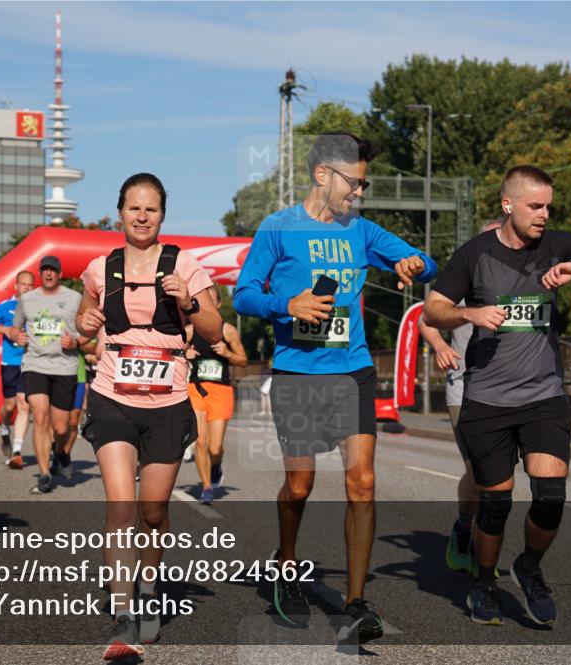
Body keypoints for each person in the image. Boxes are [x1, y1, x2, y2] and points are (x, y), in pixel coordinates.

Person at [233, 132, 435, 644]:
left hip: (353, 372)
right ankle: (285, 563)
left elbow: (424, 262)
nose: (360, 193)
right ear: (323, 174)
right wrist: (288, 305)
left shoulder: (361, 231)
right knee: (299, 485)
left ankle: (356, 603)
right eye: (355, 182)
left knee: (361, 481)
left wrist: (416, 263)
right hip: (299, 374)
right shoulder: (278, 229)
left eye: (364, 184)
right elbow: (243, 296)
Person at [424, 165, 571, 626]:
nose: (543, 214)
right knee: (494, 505)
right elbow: (434, 309)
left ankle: (530, 568)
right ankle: (483, 583)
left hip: (543, 396)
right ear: (507, 205)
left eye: (548, 205)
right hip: (488, 401)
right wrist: (470, 314)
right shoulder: (474, 254)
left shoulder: (557, 245)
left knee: (551, 495)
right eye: (535, 206)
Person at [77, 172, 222, 658]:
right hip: (113, 396)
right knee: (121, 502)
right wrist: (85, 322)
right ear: (119, 211)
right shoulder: (100, 269)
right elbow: (82, 321)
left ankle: (150, 588)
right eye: (134, 208)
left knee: (153, 511)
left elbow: (215, 327)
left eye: (151, 209)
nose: (142, 217)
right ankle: (123, 613)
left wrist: (188, 300)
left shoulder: (185, 264)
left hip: (167, 401)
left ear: (163, 215)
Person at [419, 219, 502, 575]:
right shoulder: (465, 277)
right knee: (480, 471)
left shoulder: (517, 281)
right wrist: (439, 345)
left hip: (509, 390)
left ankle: (483, 546)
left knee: (500, 477)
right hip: (464, 388)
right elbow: (427, 318)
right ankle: (465, 533)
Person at [11, 256, 88, 494]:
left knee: (61, 427)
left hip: (65, 367)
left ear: (60, 273)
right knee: (40, 415)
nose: (48, 274)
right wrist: (17, 336)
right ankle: (44, 474)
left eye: (53, 270)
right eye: (45, 270)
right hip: (35, 364)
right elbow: (15, 327)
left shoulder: (75, 299)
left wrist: (75, 341)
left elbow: (89, 332)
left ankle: (61, 452)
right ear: (40, 273)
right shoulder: (27, 299)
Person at [184, 291, 248, 504]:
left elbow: (243, 360)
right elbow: (172, 352)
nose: (207, 305)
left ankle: (216, 466)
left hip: (221, 391)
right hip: (196, 388)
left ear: (218, 304)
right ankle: (207, 487)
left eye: (211, 301)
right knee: (200, 442)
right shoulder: (190, 331)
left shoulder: (227, 331)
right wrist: (184, 355)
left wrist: (227, 353)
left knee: (215, 448)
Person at [0, 271, 35, 468]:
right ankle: (4, 428)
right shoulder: (5, 307)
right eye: (23, 284)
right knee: (9, 406)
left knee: (23, 404)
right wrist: (7, 331)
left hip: (29, 363)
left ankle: (17, 450)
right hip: (10, 363)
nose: (27, 288)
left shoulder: (37, 307)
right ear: (16, 286)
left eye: (30, 285)